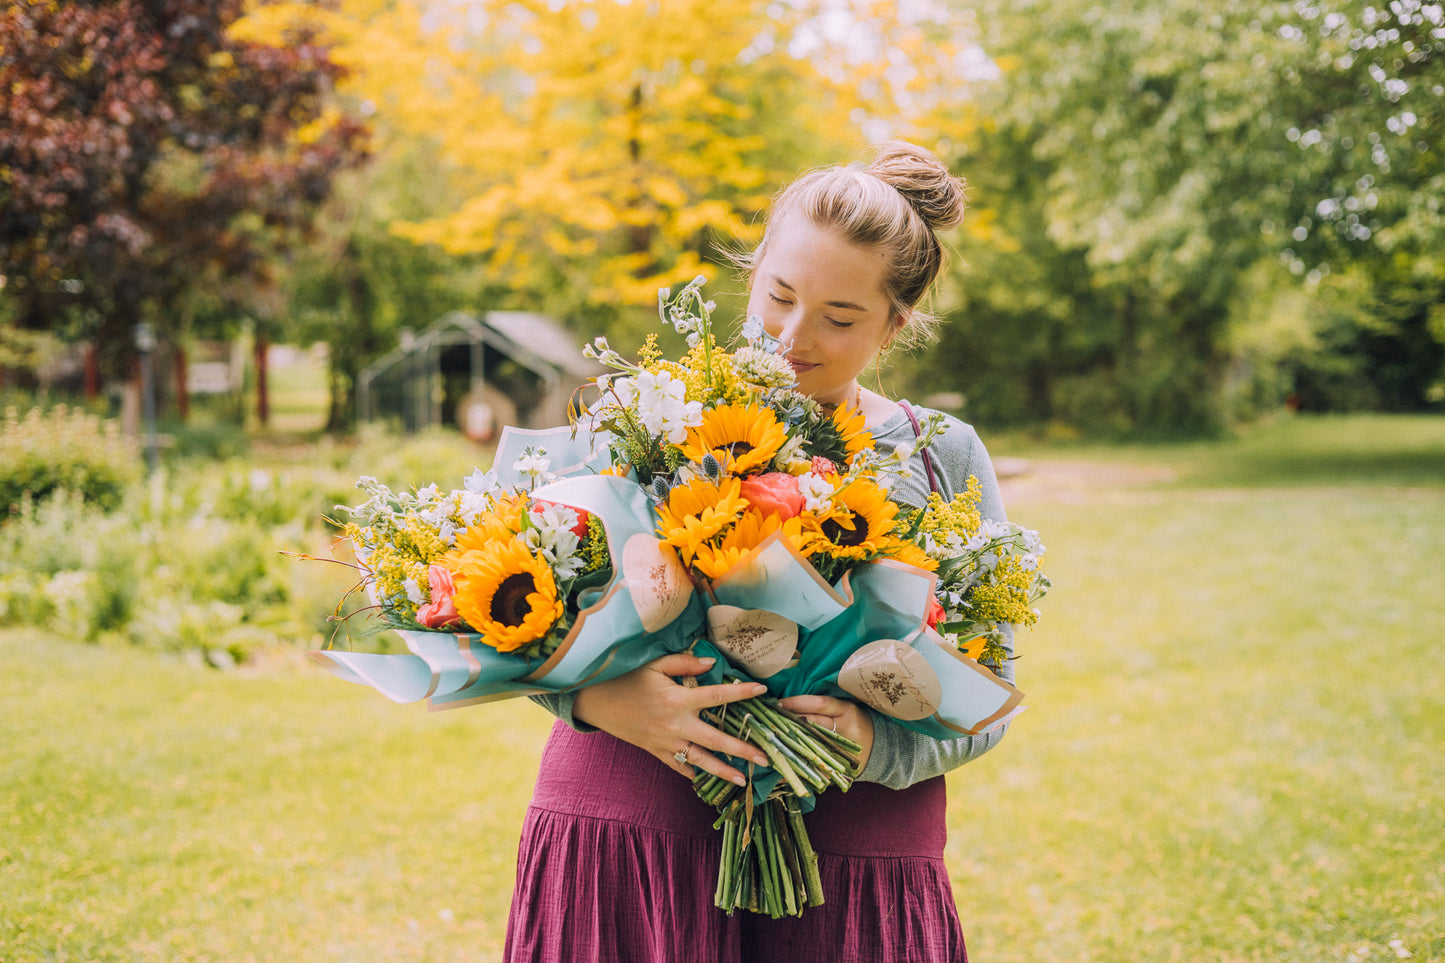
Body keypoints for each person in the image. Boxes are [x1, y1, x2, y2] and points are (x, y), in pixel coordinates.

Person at [505, 140, 1014, 963]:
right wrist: (602, 702)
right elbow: (514, 617)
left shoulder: (939, 455)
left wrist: (873, 742)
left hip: (854, 853)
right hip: (634, 833)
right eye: (776, 295)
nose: (790, 336)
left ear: (897, 321)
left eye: (840, 317)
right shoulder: (646, 414)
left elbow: (991, 693)